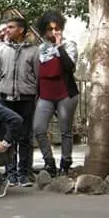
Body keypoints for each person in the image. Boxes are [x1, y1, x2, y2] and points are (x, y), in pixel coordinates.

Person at [33, 10, 79, 176]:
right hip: (46, 96)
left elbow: (70, 67)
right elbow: (37, 73)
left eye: (56, 28)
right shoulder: (41, 49)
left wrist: (60, 46)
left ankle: (65, 164)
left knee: (65, 131)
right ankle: (49, 162)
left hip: (65, 95)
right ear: (44, 31)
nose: (53, 32)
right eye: (50, 29)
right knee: (38, 128)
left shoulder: (69, 45)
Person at [0, 17, 39, 187]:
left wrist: (30, 89)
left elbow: (37, 75)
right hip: (6, 98)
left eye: (11, 27)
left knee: (25, 136)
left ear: (21, 30)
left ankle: (24, 173)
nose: (7, 30)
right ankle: (10, 173)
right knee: (8, 136)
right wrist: (4, 86)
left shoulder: (34, 51)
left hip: (26, 98)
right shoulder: (1, 50)